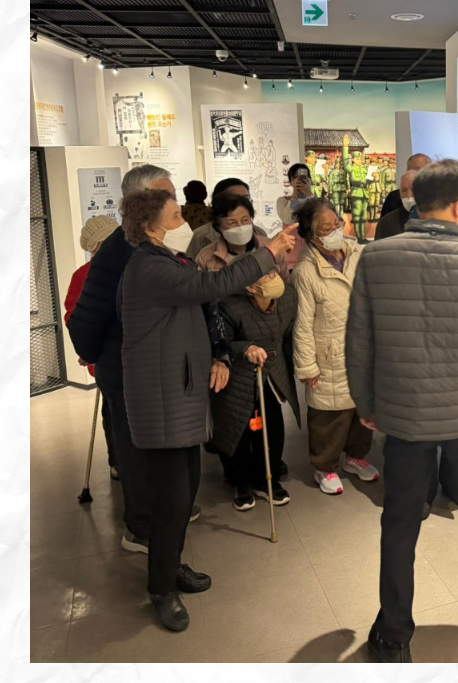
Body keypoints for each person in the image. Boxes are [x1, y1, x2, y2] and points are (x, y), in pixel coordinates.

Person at [345, 159, 458, 662]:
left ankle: (394, 634)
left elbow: (358, 343)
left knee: (400, 523)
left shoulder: (376, 258)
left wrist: (367, 405)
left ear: (417, 202)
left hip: (403, 415)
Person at [118, 188, 295, 632]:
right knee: (171, 499)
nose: (182, 216)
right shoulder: (148, 267)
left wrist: (218, 355)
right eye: (173, 213)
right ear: (149, 225)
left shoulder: (167, 260)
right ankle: (161, 588)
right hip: (161, 400)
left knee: (186, 491)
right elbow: (211, 285)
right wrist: (269, 252)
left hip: (180, 395)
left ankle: (171, 565)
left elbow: (201, 308)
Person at [68, 164, 181, 556]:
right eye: (165, 195)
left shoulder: (151, 243)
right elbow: (86, 316)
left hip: (154, 368)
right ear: (139, 201)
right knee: (136, 451)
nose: (174, 202)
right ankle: (141, 527)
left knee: (158, 449)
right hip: (127, 371)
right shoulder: (119, 250)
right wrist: (97, 357)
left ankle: (165, 514)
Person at [291, 198, 378, 495]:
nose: (334, 231)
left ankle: (355, 457)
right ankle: (324, 467)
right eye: (326, 228)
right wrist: (306, 366)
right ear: (311, 235)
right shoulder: (305, 271)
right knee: (329, 416)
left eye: (336, 224)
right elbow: (302, 324)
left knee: (360, 410)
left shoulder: (359, 254)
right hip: (329, 354)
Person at [211, 269, 300, 511]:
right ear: (249, 286)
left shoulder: (288, 297)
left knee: (272, 426)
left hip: (272, 370)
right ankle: (242, 483)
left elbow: (289, 335)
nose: (274, 278)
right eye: (265, 276)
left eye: (273, 272)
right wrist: (246, 347)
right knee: (239, 429)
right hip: (238, 375)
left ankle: (266, 479)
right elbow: (222, 342)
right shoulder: (228, 305)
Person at [64, 215, 120, 479]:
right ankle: (117, 460)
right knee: (114, 412)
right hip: (106, 358)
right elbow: (73, 315)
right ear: (95, 247)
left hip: (137, 354)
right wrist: (87, 346)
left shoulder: (135, 265)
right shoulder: (82, 275)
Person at [185, 178, 268, 259]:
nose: (240, 203)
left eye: (246, 198)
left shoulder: (259, 232)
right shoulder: (200, 237)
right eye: (234, 198)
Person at [380, 153, 431, 218]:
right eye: (417, 170)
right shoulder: (394, 198)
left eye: (426, 171)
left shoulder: (438, 198)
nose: (409, 196)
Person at [374, 170, 418, 240]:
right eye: (404, 190)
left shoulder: (433, 218)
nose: (409, 196)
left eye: (413, 189)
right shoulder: (386, 223)